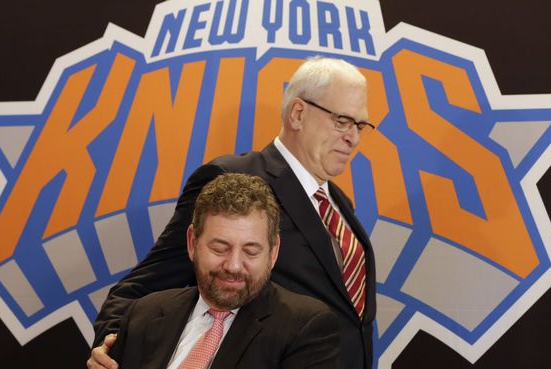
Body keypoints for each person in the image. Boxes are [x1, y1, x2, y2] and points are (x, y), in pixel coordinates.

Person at [89, 56, 377, 369]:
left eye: (360, 125)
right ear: (298, 113)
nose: (354, 138)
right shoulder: (231, 178)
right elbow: (143, 286)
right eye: (342, 121)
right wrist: (116, 347)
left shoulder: (338, 203)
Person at [106, 173, 340, 369]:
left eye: (250, 251)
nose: (233, 266)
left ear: (273, 251)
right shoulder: (144, 314)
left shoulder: (306, 327)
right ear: (192, 243)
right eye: (220, 248)